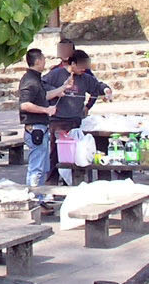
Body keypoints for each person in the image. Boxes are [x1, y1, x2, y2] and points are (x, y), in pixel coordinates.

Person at [45, 50, 112, 184]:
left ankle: (72, 183)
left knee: (76, 155)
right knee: (56, 155)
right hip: (58, 121)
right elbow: (42, 86)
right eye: (81, 66)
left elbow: (97, 86)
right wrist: (58, 92)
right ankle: (50, 185)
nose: (84, 69)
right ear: (73, 63)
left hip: (76, 121)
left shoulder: (85, 78)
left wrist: (105, 90)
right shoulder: (56, 74)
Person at [16, 48, 55, 204]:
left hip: (41, 127)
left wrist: (61, 90)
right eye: (44, 58)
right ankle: (33, 199)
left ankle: (39, 197)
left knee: (41, 166)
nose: (45, 61)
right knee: (36, 168)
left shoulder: (35, 79)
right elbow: (25, 104)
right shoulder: (29, 81)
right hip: (35, 128)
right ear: (38, 61)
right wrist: (46, 110)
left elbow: (43, 96)